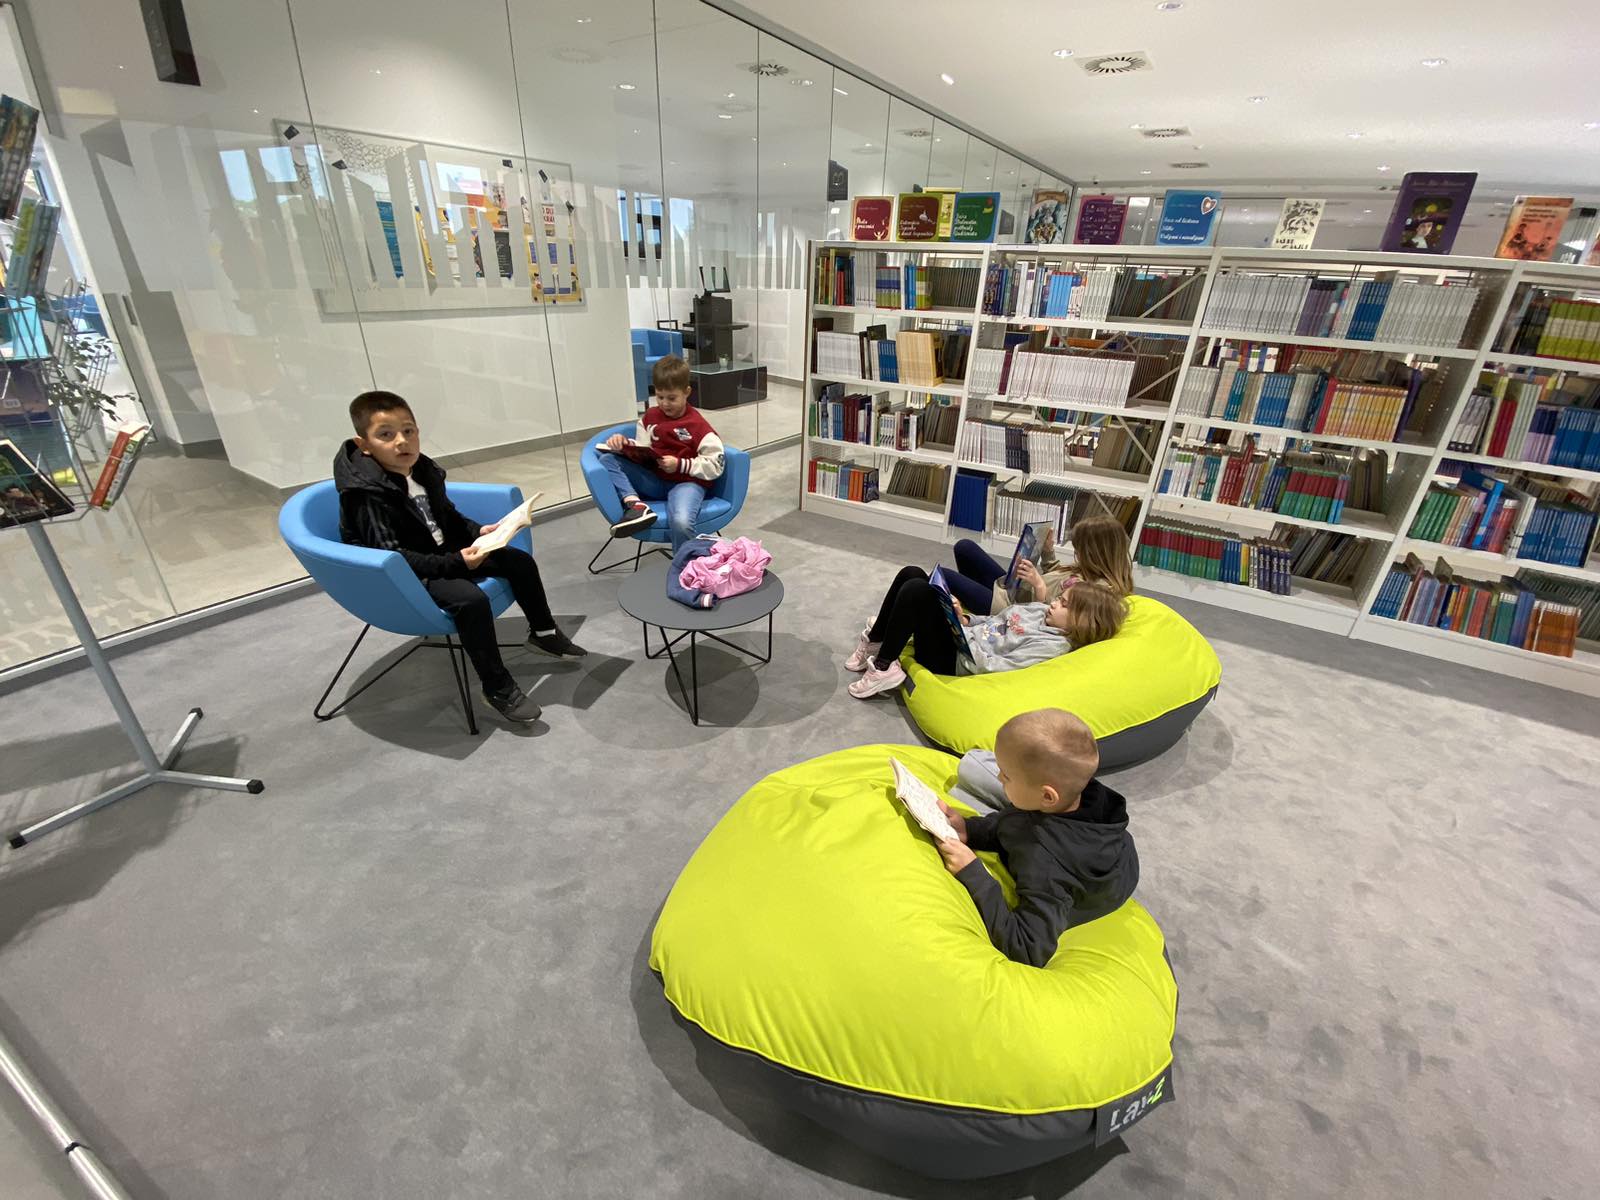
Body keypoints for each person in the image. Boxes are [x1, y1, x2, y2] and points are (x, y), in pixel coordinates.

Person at [334, 390, 585, 726]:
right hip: (402, 575)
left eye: (408, 431)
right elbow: (392, 557)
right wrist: (455, 563)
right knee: (470, 600)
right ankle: (496, 686)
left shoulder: (421, 470)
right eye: (386, 434)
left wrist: (479, 531)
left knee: (519, 561)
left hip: (441, 553)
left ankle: (543, 633)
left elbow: (448, 516)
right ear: (363, 444)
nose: (402, 441)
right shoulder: (365, 494)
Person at [931, 709, 1138, 968]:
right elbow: (1016, 822)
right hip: (1098, 841)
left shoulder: (1045, 864)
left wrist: (973, 873)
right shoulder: (1075, 793)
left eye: (1006, 775)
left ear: (1048, 796)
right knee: (982, 774)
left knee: (983, 780)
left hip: (1101, 876)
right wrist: (970, 830)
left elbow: (1027, 948)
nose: (999, 776)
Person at [845, 572, 1126, 700]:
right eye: (1059, 599)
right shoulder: (1041, 611)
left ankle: (883, 667)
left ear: (1082, 621)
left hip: (959, 661)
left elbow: (996, 667)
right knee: (913, 574)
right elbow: (996, 622)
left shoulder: (1052, 645)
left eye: (1063, 604)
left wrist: (963, 636)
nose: (1054, 603)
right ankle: (876, 644)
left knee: (918, 591)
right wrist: (964, 619)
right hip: (963, 636)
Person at [597, 354, 725, 552]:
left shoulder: (698, 425)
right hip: (655, 480)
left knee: (681, 523)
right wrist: (624, 445)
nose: (665, 403)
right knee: (608, 459)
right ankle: (637, 507)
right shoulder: (650, 417)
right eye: (659, 397)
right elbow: (643, 448)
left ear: (686, 392)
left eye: (672, 398)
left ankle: (683, 565)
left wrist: (680, 464)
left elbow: (716, 465)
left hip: (686, 483)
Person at [939, 514, 1135, 616]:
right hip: (1016, 590)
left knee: (944, 576)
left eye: (1080, 551)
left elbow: (1053, 617)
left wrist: (1039, 586)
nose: (1077, 555)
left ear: (1096, 554)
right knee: (964, 547)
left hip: (1015, 609)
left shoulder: (1099, 592)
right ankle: (975, 604)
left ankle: (983, 611)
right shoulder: (1089, 569)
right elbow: (1060, 581)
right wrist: (1048, 551)